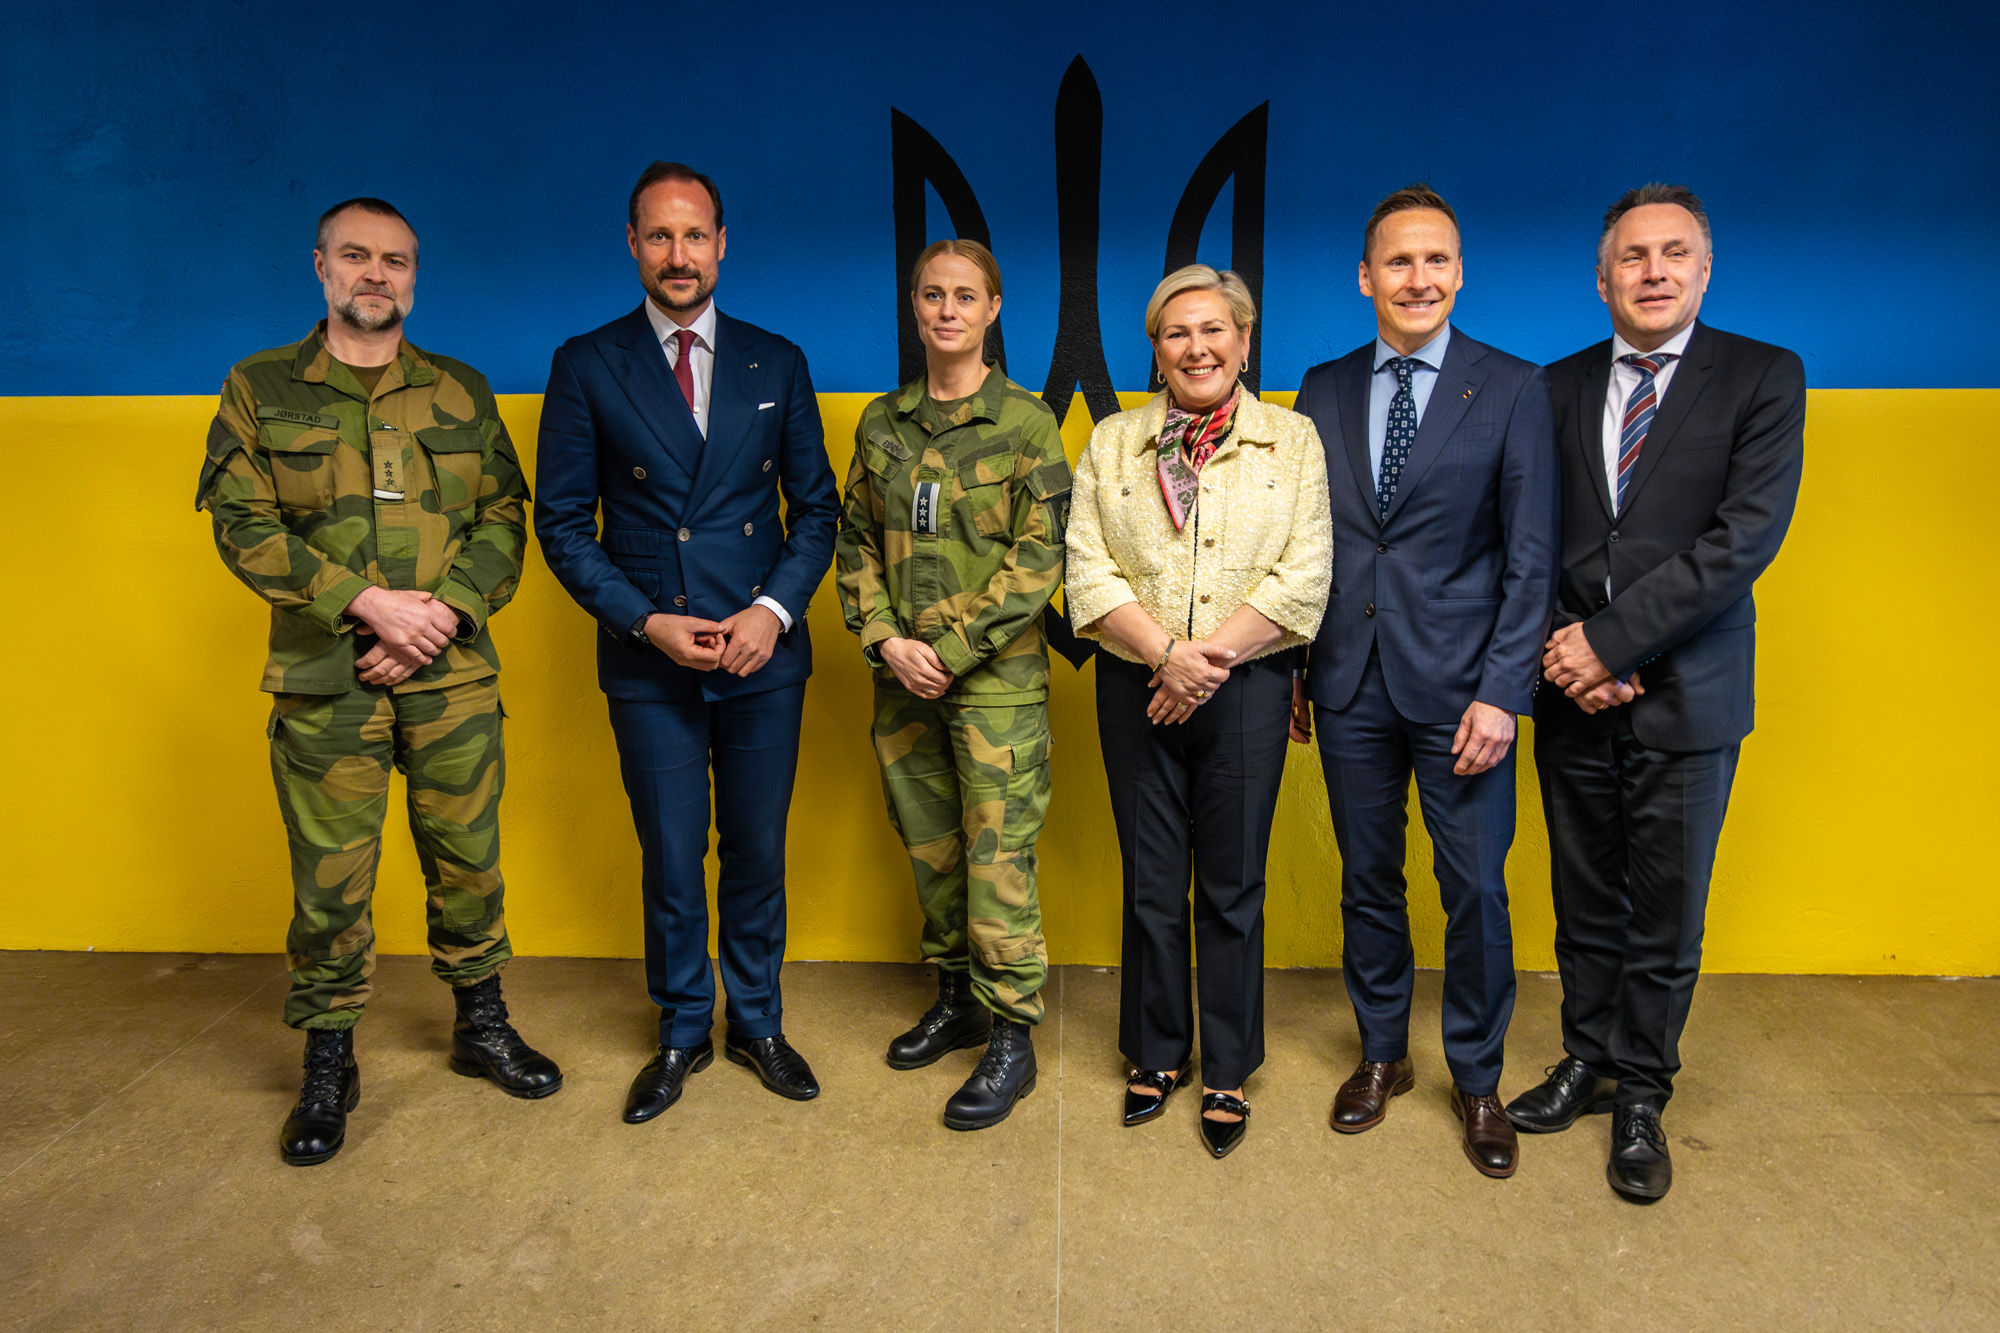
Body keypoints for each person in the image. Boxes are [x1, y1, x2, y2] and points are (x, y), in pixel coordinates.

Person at [199, 198, 561, 1168]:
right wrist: (364, 602)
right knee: (330, 881)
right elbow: (242, 522)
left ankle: (481, 1023)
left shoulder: (459, 390)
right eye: (355, 255)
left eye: (394, 260)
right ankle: (328, 1059)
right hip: (328, 680)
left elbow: (502, 519)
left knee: (468, 859)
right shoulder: (262, 388)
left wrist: (441, 614)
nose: (375, 273)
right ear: (319, 266)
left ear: (414, 275)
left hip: (451, 676)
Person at [1504, 185, 1805, 1202]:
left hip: (1686, 691)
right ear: (1602, 280)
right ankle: (1586, 1059)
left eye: (1674, 252)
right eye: (1632, 256)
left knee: (1666, 912)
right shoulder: (1552, 386)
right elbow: (1528, 534)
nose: (1653, 271)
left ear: (1703, 271)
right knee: (1583, 898)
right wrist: (1567, 650)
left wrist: (1610, 642)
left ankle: (1641, 1090)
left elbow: (1741, 540)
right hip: (1570, 690)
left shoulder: (1762, 376)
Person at [535, 162, 839, 1123]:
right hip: (650, 653)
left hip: (760, 653)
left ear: (721, 244)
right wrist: (646, 620)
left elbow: (817, 511)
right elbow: (561, 524)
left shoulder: (775, 361)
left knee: (754, 850)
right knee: (671, 857)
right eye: (660, 236)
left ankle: (757, 1022)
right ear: (633, 244)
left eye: (695, 235)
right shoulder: (587, 362)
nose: (679, 254)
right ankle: (680, 1030)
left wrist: (771, 612)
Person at [1291, 184, 1557, 1179]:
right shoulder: (1319, 388)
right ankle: (1380, 1055)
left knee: (1475, 890)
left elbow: (1531, 558)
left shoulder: (1513, 387)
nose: (1417, 277)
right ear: (1365, 278)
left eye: (1435, 259)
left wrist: (1503, 691)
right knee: (1368, 881)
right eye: (1397, 261)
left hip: (1465, 694)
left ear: (1459, 273)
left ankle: (1477, 1077)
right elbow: (1301, 543)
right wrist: (1298, 670)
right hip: (1346, 681)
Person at [1066, 265, 1331, 1159]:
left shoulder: (1292, 440)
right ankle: (1156, 1049)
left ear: (1244, 342)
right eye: (1177, 333)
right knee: (1151, 881)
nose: (1197, 347)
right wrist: (1165, 656)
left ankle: (1228, 1065)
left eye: (1214, 329)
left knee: (1233, 882)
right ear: (1156, 350)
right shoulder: (1114, 442)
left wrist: (1206, 660)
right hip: (1136, 684)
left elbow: (1306, 573)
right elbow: (1086, 566)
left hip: (1246, 688)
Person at [834, 239, 1070, 1131]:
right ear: (914, 304)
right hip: (904, 682)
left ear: (993, 309)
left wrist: (955, 647)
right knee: (931, 849)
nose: (947, 310)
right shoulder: (882, 425)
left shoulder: (1027, 424)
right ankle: (957, 998)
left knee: (996, 860)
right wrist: (886, 639)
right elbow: (855, 539)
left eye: (965, 296)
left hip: (994, 688)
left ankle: (1011, 1033)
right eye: (932, 294)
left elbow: (1040, 555)